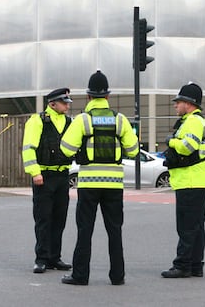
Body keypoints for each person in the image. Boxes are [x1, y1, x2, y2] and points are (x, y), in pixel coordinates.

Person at [58, 70, 139, 286]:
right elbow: (133, 150)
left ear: (88, 96)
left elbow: (65, 149)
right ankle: (117, 276)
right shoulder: (120, 120)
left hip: (89, 184)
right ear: (107, 96)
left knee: (85, 230)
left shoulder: (83, 120)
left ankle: (80, 275)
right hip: (114, 184)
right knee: (115, 230)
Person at [161, 82, 205, 278]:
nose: (175, 105)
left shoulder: (193, 121)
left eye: (179, 101)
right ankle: (195, 265)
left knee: (186, 227)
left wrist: (170, 141)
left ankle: (182, 265)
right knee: (196, 226)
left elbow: (187, 146)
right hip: (198, 179)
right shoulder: (198, 121)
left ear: (189, 103)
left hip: (191, 180)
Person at [22, 87, 75, 274]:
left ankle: (55, 257)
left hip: (62, 176)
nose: (67, 106)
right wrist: (35, 172)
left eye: (68, 103)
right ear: (52, 103)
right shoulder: (37, 121)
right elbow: (28, 148)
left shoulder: (69, 121)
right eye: (64, 103)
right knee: (43, 219)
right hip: (44, 176)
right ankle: (41, 258)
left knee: (59, 219)